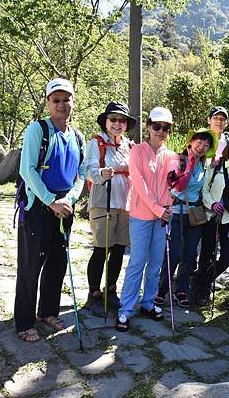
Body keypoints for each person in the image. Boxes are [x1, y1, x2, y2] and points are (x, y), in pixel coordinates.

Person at [14, 78, 86, 342]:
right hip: (38, 207)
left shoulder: (77, 136)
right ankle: (24, 322)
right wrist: (50, 201)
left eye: (66, 99)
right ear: (48, 103)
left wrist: (69, 199)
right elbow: (27, 170)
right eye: (56, 100)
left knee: (57, 262)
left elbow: (81, 174)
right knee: (31, 265)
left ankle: (48, 312)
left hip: (65, 207)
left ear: (73, 102)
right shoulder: (37, 130)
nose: (61, 104)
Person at [115, 107, 176, 332]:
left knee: (156, 262)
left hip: (162, 218)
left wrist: (168, 207)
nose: (160, 131)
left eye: (166, 128)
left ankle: (148, 303)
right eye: (157, 126)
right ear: (148, 126)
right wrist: (159, 209)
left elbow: (174, 185)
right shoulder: (137, 151)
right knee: (137, 261)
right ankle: (126, 308)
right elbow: (139, 186)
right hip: (141, 216)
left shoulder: (171, 156)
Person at [155, 127, 216, 308]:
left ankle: (181, 290)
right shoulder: (177, 160)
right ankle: (162, 289)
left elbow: (204, 190)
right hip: (175, 214)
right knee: (173, 254)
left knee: (189, 255)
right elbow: (173, 186)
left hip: (194, 215)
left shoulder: (205, 165)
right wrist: (187, 167)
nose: (202, 146)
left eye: (206, 144)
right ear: (191, 142)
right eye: (199, 142)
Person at [84, 102, 135, 316]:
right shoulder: (96, 144)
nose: (117, 123)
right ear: (106, 122)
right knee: (100, 249)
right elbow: (87, 170)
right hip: (103, 202)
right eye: (113, 119)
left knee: (119, 249)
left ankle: (111, 289)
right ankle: (94, 292)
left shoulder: (130, 146)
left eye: (121, 120)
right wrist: (100, 174)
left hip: (125, 204)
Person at [192, 132, 229, 305]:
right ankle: (201, 290)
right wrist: (212, 205)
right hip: (212, 217)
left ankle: (200, 282)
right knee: (206, 255)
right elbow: (204, 190)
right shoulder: (216, 166)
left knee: (227, 257)